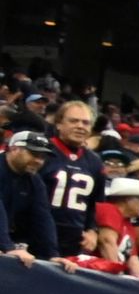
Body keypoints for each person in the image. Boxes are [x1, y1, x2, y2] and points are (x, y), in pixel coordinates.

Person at [39, 100, 104, 257]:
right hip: (37, 230)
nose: (80, 126)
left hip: (74, 238)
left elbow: (96, 202)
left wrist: (92, 230)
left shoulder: (95, 161)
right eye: (74, 121)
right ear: (59, 124)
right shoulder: (42, 151)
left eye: (86, 123)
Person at [1, 130, 62, 261]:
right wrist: (7, 247)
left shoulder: (34, 181)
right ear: (14, 149)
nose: (39, 161)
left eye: (42, 157)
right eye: (34, 154)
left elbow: (42, 217)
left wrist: (52, 255)